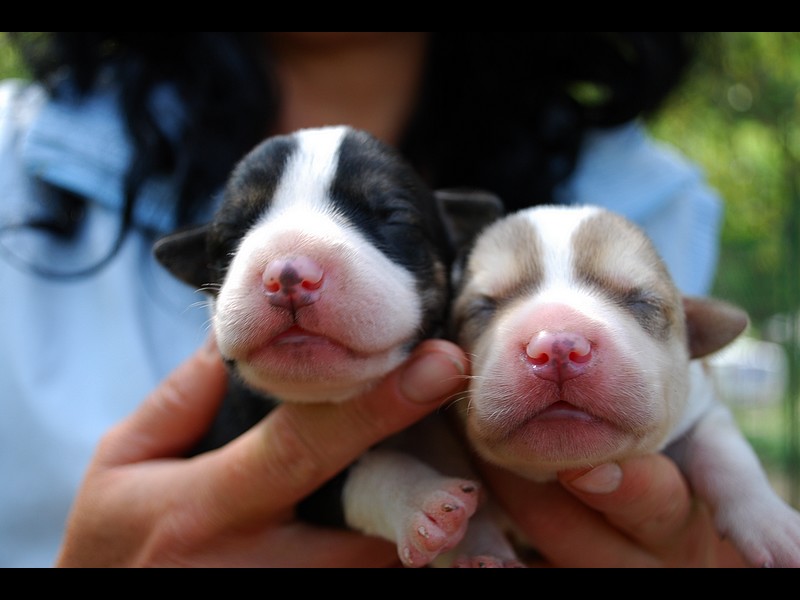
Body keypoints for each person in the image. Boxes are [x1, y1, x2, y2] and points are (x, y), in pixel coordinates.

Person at [0, 32, 746, 567]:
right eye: (239, 238)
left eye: (384, 218)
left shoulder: (656, 201)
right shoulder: (15, 153)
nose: (291, 272)